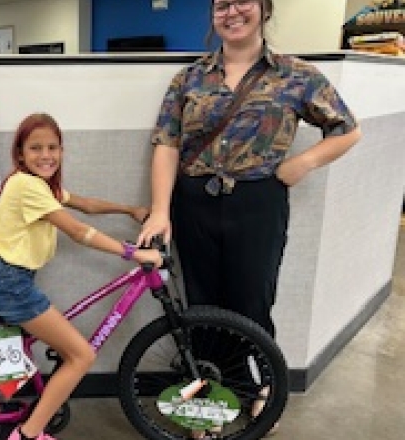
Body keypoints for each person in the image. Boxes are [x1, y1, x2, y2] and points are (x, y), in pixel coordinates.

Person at [137, 0, 361, 437]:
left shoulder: (295, 74)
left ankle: (257, 388)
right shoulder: (190, 78)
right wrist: (161, 210)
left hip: (258, 203)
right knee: (199, 304)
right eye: (222, 4)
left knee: (253, 300)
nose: (231, 12)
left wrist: (305, 162)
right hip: (194, 200)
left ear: (264, 9)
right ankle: (205, 398)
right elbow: (166, 144)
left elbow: (348, 129)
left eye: (243, 2)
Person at [0, 113, 162, 440]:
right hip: (10, 283)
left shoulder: (41, 185)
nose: (46, 155)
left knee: (44, 351)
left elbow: (86, 205)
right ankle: (28, 434)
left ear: (62, 151)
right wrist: (135, 253)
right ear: (20, 154)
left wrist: (130, 210)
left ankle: (10, 418)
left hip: (8, 278)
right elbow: (78, 230)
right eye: (35, 148)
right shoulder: (27, 185)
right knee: (82, 355)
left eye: (53, 147)